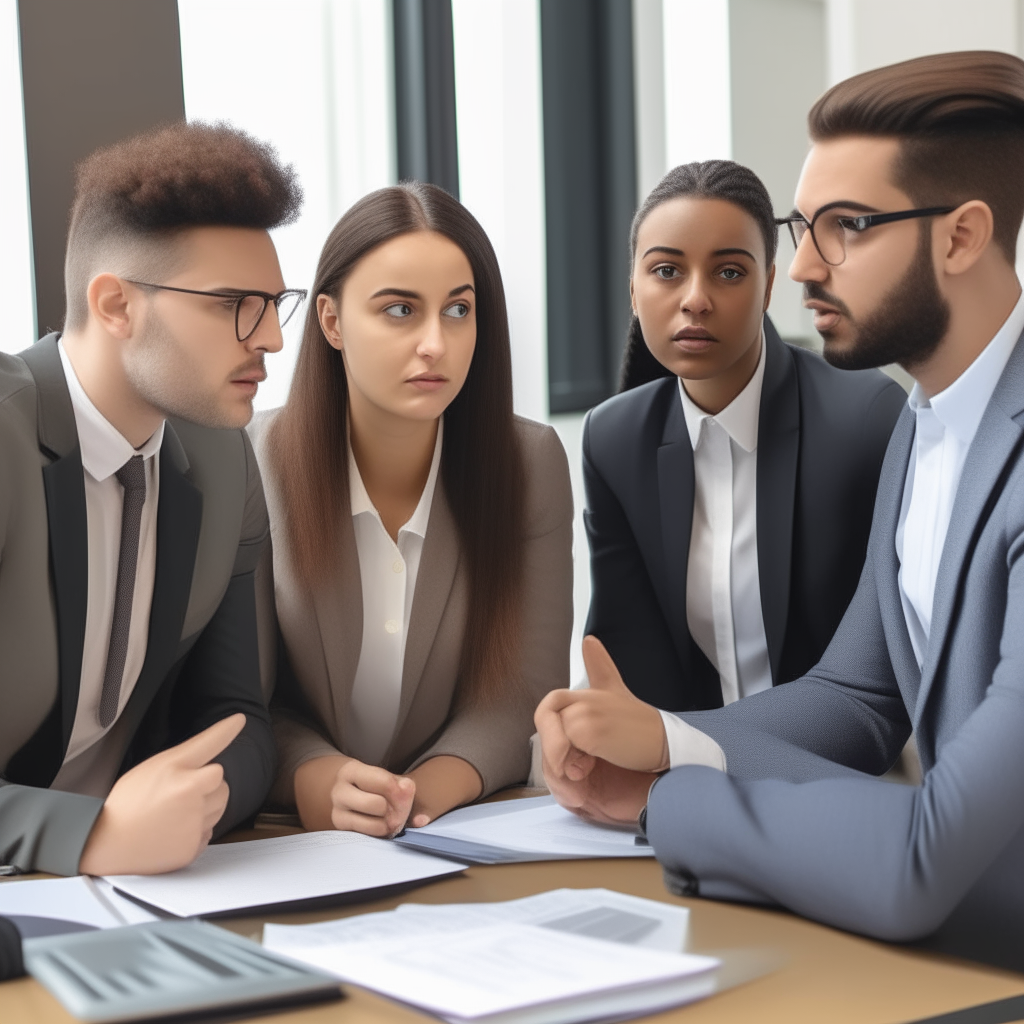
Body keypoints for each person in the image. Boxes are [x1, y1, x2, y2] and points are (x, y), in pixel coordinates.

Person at [536, 50, 1024, 971]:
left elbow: (929, 855)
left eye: (846, 227)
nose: (797, 268)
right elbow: (857, 697)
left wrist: (664, 798)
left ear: (960, 238)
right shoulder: (923, 429)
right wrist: (667, 738)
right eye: (804, 227)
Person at [0, 121, 303, 877]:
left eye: (273, 302)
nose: (269, 338)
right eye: (234, 302)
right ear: (115, 305)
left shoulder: (224, 455)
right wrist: (87, 834)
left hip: (141, 896)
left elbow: (239, 722)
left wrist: (186, 810)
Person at [251, 182, 573, 839]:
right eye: (400, 310)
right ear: (332, 322)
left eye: (458, 311)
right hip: (283, 837)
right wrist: (313, 775)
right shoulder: (249, 463)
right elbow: (238, 699)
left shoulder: (529, 462)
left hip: (454, 828)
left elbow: (518, 693)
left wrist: (415, 799)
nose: (435, 343)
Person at [584, 160, 904, 722]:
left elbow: (881, 669)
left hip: (839, 761)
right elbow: (631, 653)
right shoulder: (613, 438)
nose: (695, 299)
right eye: (666, 271)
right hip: (683, 765)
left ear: (768, 287)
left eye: (729, 272)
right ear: (632, 289)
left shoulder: (863, 419)